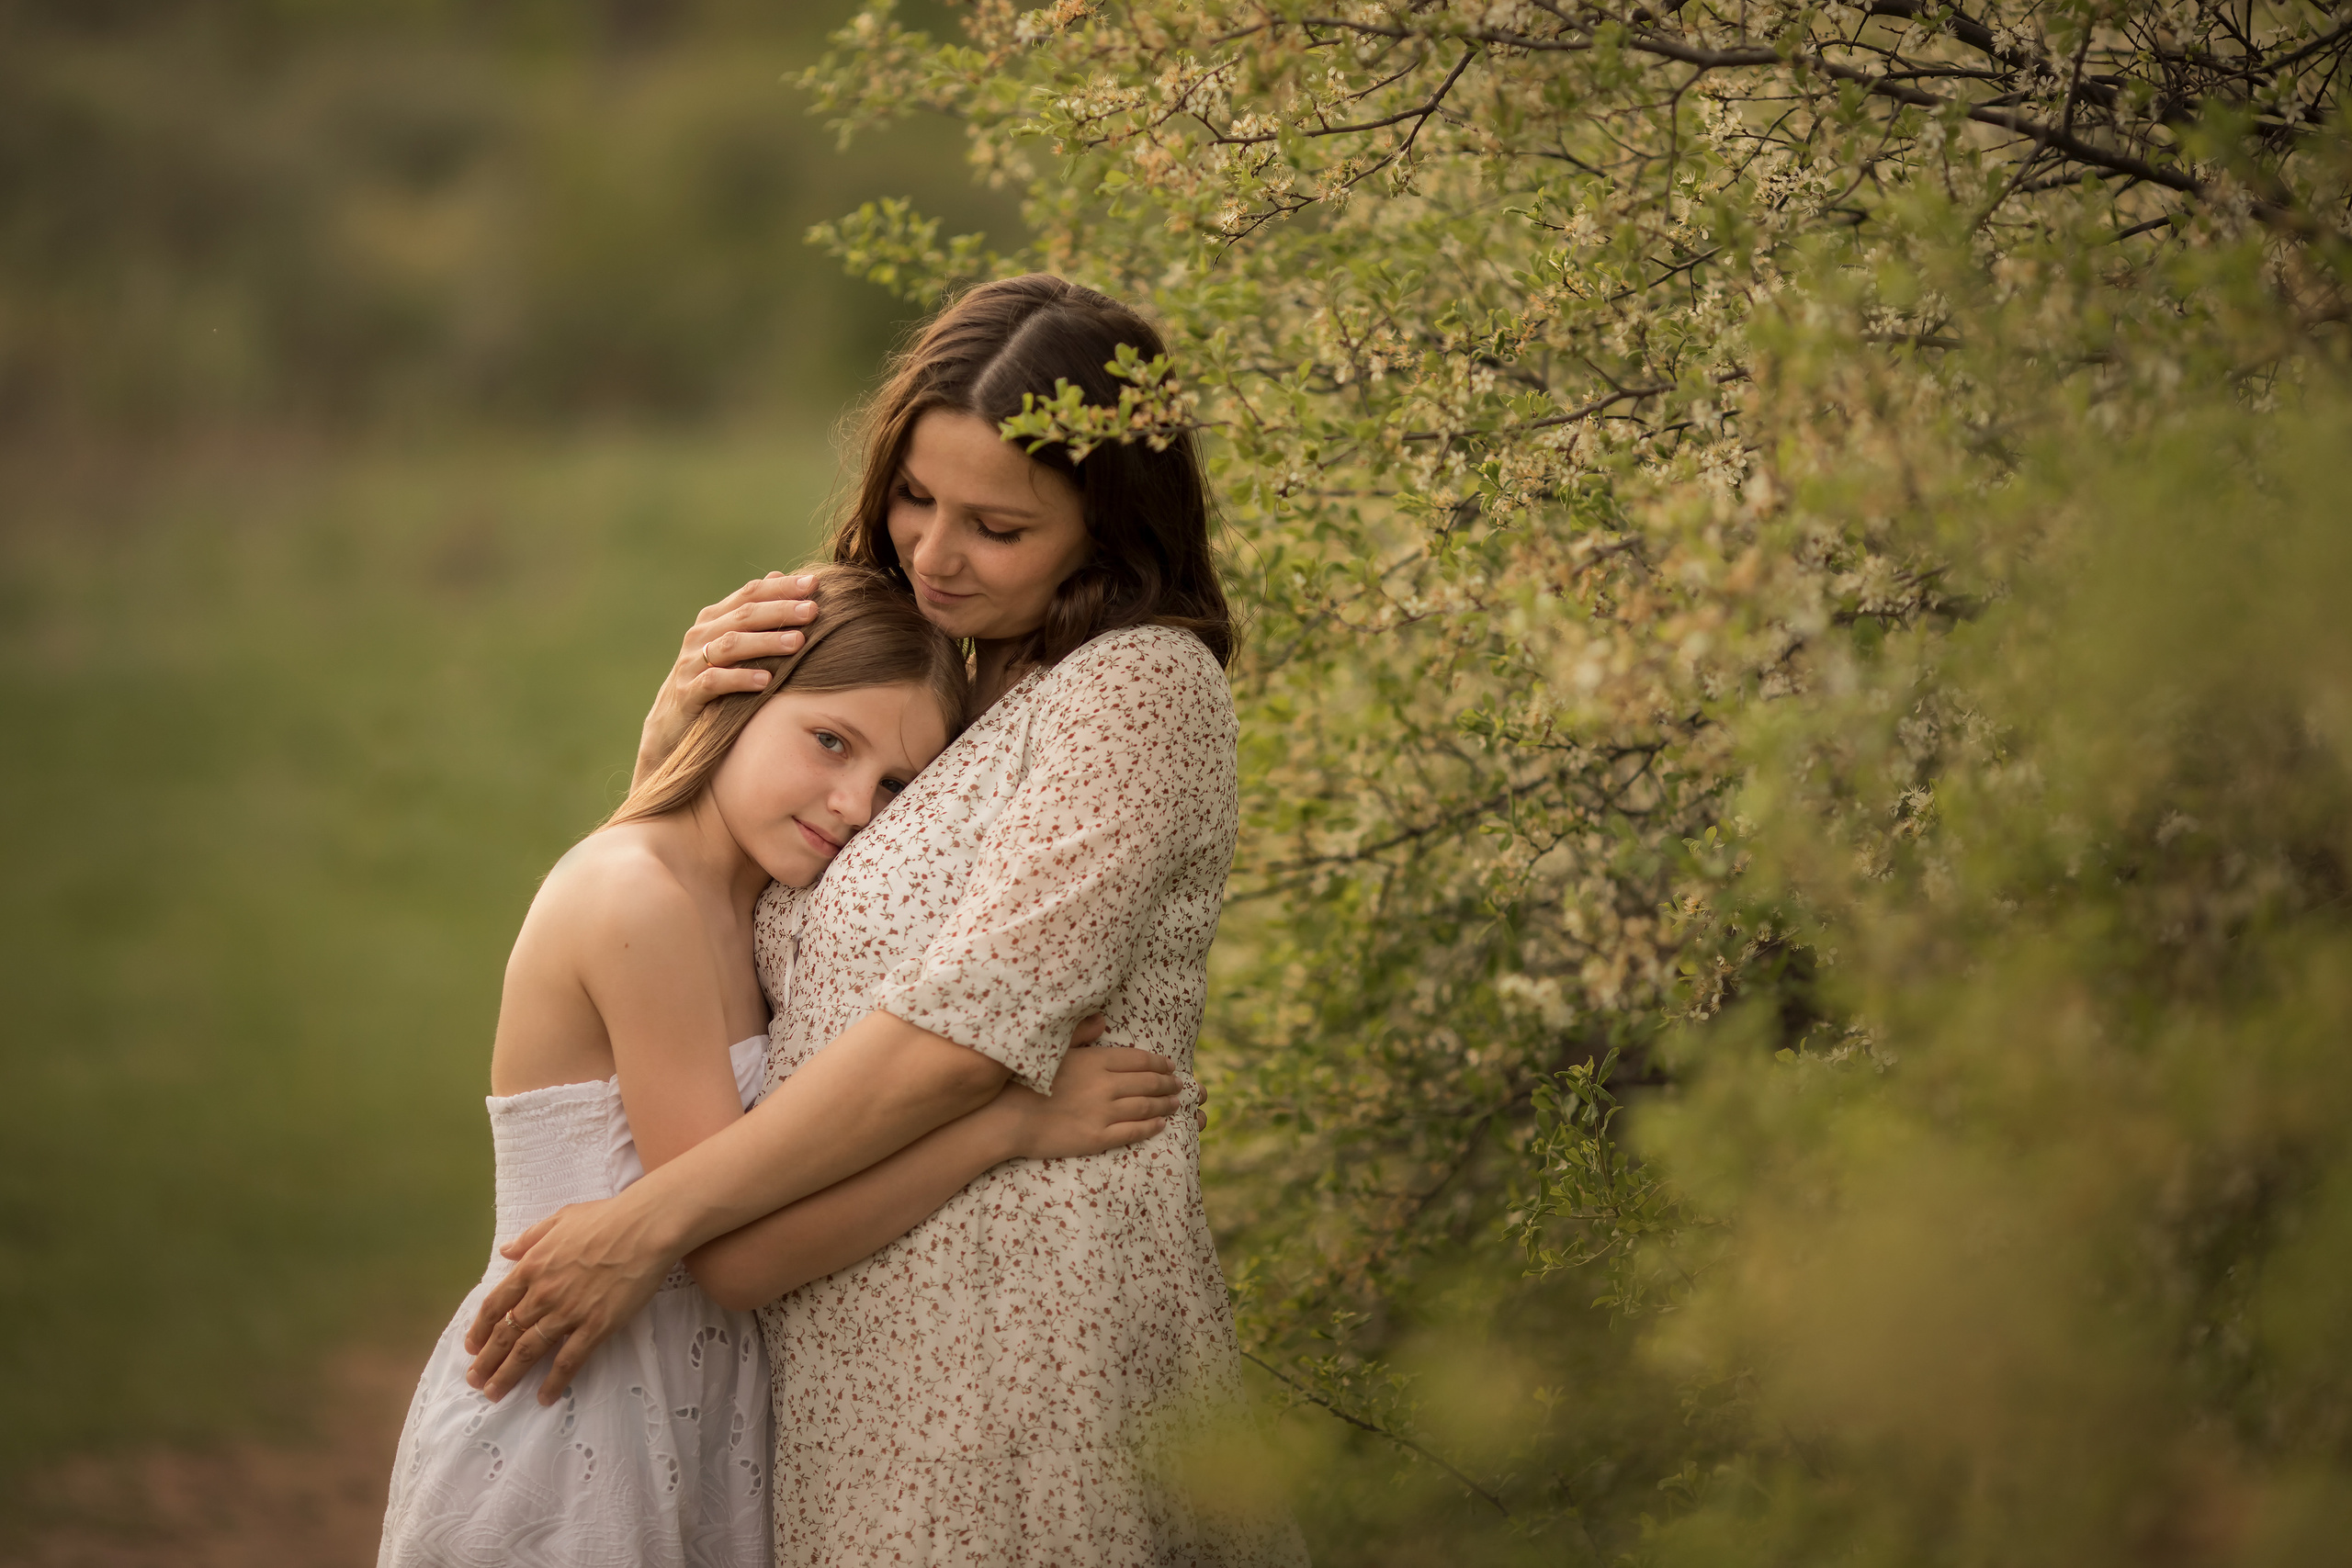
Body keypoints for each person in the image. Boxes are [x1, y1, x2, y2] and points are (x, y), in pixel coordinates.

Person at [464, 275, 1309, 1565]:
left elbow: (968, 1031)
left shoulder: (1136, 687)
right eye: (915, 496)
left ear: (1106, 526)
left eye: (997, 526)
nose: (933, 553)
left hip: (1022, 1325)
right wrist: (681, 747)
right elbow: (711, 948)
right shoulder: (930, 687)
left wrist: (647, 1221)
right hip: (839, 1357)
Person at [379, 565, 1186, 1568]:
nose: (853, 805)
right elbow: (738, 1262)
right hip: (578, 1422)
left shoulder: (755, 911)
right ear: (737, 698)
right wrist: (1005, 1126)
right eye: (830, 741)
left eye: (893, 785)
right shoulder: (641, 899)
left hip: (697, 1416)